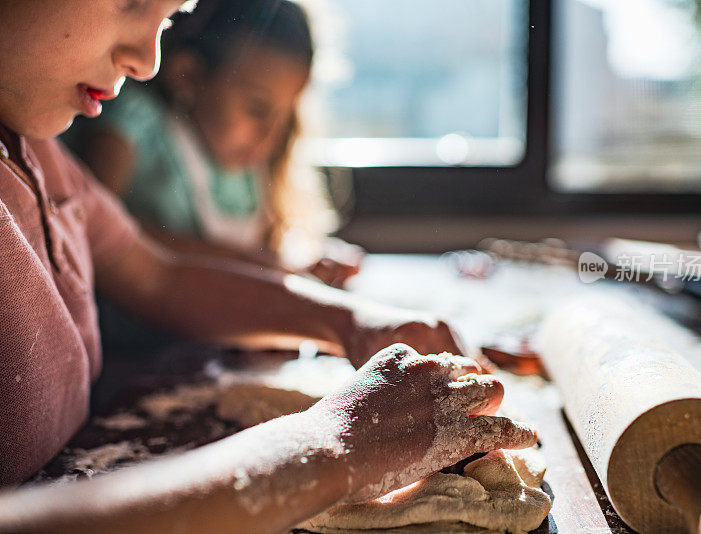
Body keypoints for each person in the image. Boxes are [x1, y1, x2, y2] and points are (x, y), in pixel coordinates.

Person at [0, 0, 536, 530]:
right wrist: (329, 446)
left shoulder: (40, 153)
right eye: (131, 1)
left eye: (165, 20)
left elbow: (158, 274)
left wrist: (351, 322)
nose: (148, 61)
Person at [67, 0, 361, 288]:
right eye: (257, 109)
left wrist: (305, 266)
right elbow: (95, 229)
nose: (270, 135)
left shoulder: (255, 170)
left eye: (285, 118)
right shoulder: (136, 124)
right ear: (189, 76)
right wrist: (256, 264)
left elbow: (268, 255)